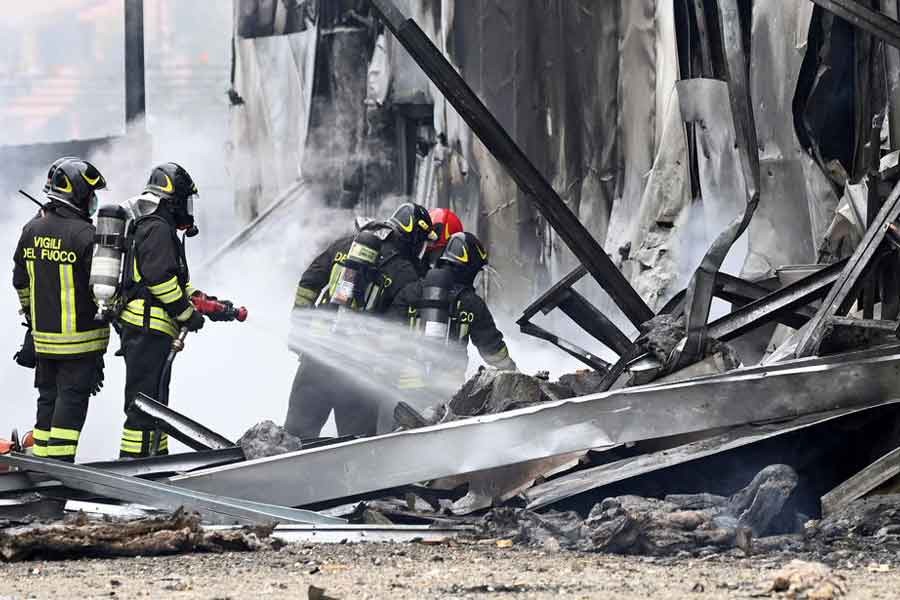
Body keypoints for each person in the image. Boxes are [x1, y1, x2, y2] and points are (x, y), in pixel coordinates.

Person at [284, 202, 437, 439]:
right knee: (356, 452)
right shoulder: (406, 274)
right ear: (415, 237)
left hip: (316, 359)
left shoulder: (346, 245)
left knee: (293, 440)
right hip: (359, 376)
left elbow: (309, 281)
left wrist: (299, 328)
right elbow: (398, 333)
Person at [12, 158, 109, 461]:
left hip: (44, 341)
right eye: (91, 193)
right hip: (80, 343)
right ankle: (60, 469)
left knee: (47, 400)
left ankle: (42, 464)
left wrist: (32, 317)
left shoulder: (31, 230)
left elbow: (21, 283)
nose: (94, 200)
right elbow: (102, 289)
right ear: (78, 193)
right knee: (71, 402)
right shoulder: (85, 235)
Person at [116, 163, 206, 458]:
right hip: (147, 328)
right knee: (144, 404)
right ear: (173, 199)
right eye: (185, 200)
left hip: (150, 329)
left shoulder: (158, 227)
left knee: (156, 404)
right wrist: (186, 313)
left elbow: (176, 280)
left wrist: (205, 302)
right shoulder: (157, 228)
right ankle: (135, 468)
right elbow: (160, 280)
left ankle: (155, 463)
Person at [391, 231, 516, 403]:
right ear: (470, 267)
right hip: (446, 389)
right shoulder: (472, 303)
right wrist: (513, 371)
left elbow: (389, 333)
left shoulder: (410, 291)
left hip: (405, 387)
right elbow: (492, 351)